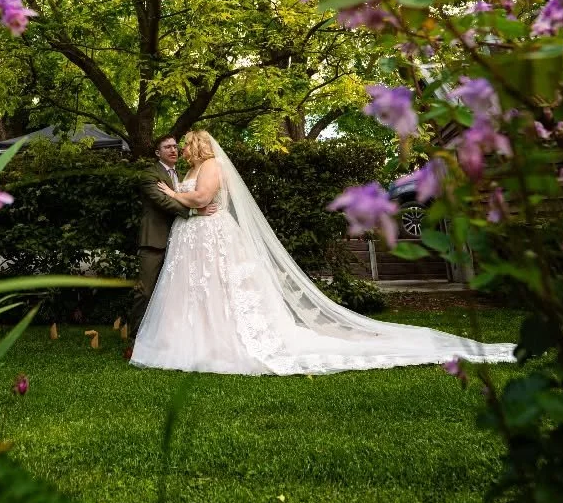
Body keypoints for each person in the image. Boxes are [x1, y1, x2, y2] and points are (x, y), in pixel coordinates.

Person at [129, 130, 516, 375]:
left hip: (210, 235)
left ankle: (219, 341)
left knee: (217, 289)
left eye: (187, 144)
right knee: (197, 291)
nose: (183, 149)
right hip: (195, 238)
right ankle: (192, 339)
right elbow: (195, 200)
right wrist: (181, 197)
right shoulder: (194, 166)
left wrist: (175, 195)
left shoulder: (211, 165)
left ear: (198, 146)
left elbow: (202, 197)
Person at [130, 133, 217, 335]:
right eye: (167, 147)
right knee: (146, 291)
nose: (173, 150)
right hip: (155, 240)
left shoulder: (186, 172)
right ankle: (136, 339)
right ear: (157, 152)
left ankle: (166, 335)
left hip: (183, 240)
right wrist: (195, 211)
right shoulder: (149, 174)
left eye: (175, 146)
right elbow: (164, 202)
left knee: (175, 293)